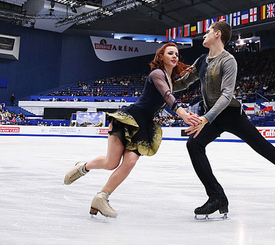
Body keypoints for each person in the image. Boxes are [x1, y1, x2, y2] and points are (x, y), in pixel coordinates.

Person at [174, 21, 275, 218]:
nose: (204, 35)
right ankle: (217, 196)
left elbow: (226, 95)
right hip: (212, 117)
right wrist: (162, 84)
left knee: (265, 149)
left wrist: (206, 118)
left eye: (208, 31)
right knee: (193, 144)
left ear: (218, 34)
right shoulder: (201, 61)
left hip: (231, 115)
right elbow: (182, 83)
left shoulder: (228, 61)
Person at [63, 43, 201, 218]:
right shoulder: (157, 74)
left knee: (129, 162)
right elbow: (167, 95)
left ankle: (101, 197)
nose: (175, 56)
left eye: (177, 54)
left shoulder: (169, 80)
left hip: (144, 124)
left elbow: (182, 84)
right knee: (111, 163)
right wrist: (182, 113)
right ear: (161, 57)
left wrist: (201, 69)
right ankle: (83, 167)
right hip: (129, 119)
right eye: (170, 53)